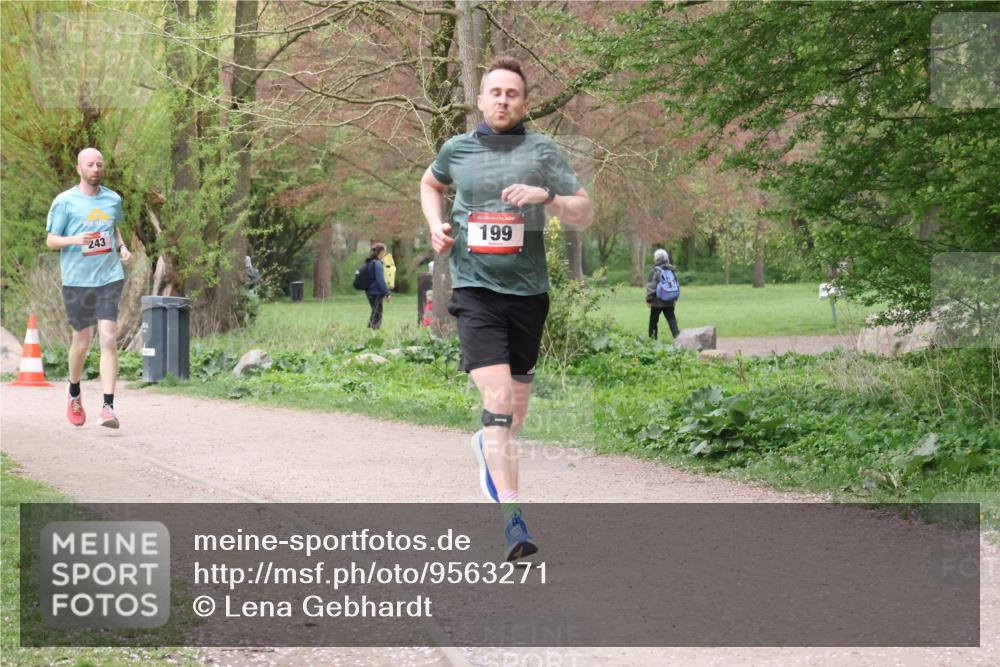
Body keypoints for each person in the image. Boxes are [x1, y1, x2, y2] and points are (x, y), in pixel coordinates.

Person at [420, 56, 593, 561]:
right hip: (475, 293)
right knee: (497, 406)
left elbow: (584, 211)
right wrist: (435, 224)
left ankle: (487, 448)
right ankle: (513, 521)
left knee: (511, 418)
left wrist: (550, 197)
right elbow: (430, 184)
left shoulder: (543, 151)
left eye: (512, 94)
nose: (502, 100)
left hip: (528, 295)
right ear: (479, 99)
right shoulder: (457, 149)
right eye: (494, 92)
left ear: (523, 101)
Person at [45, 147, 133, 428]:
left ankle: (108, 407)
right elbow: (51, 241)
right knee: (81, 342)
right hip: (76, 281)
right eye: (90, 165)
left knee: (108, 338)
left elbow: (113, 227)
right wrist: (75, 240)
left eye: (99, 164)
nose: (96, 169)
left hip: (108, 276)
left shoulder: (113, 199)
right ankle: (74, 390)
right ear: (79, 169)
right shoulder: (64, 202)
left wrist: (122, 247)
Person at [646, 248, 680, 340]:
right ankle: (678, 337)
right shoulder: (671, 270)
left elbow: (651, 286)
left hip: (657, 301)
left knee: (653, 320)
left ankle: (652, 339)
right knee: (671, 318)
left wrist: (649, 299)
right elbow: (676, 284)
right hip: (670, 299)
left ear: (656, 259)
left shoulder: (655, 270)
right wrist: (675, 297)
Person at [364, 243, 391, 329]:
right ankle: (374, 329)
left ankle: (370, 328)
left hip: (369, 291)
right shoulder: (378, 264)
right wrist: (387, 293)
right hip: (376, 292)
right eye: (385, 251)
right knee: (378, 313)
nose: (385, 253)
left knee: (375, 311)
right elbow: (380, 280)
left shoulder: (370, 262)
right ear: (381, 252)